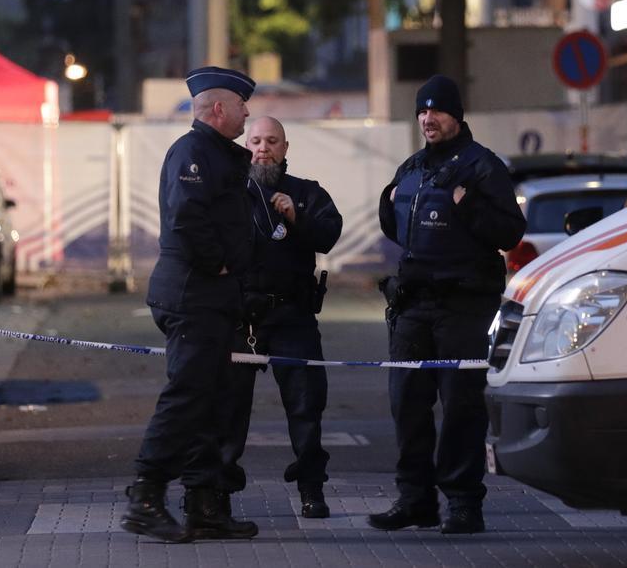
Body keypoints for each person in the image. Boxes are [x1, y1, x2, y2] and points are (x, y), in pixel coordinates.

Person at [369, 74, 526, 534]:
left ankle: (463, 504)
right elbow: (397, 225)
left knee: (461, 408)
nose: (427, 118)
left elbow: (510, 232)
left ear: (456, 115)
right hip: (414, 306)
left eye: (436, 111)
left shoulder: (482, 167)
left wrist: (469, 205)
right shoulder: (413, 166)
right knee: (407, 406)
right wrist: (387, 201)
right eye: (422, 111)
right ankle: (415, 500)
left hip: (463, 306)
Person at [121, 66, 259, 543]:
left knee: (211, 401)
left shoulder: (216, 152)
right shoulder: (194, 151)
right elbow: (187, 216)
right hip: (194, 295)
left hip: (211, 299)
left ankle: (205, 505)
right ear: (218, 108)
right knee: (186, 399)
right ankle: (146, 496)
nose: (248, 112)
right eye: (242, 104)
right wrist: (217, 263)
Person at [219, 116, 343, 520]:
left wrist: (296, 219)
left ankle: (312, 489)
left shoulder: (306, 193)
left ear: (285, 148)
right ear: (245, 145)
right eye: (255, 140)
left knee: (306, 407)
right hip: (241, 318)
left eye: (272, 141)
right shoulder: (230, 193)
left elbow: (329, 233)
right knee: (228, 411)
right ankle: (217, 493)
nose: (263, 148)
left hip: (293, 315)